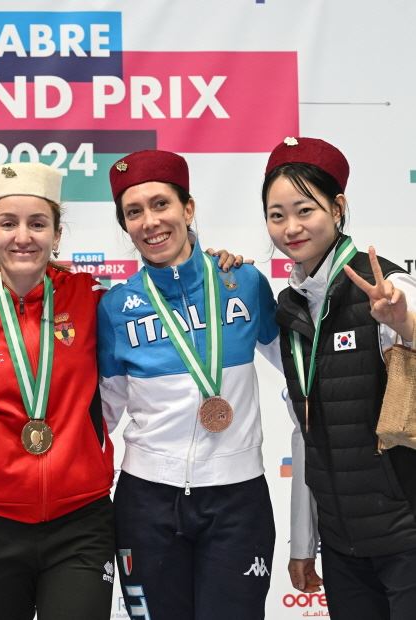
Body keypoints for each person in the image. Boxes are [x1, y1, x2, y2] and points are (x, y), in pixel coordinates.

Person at [98, 149, 283, 620]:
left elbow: (302, 369)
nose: (150, 222)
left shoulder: (243, 282)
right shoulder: (116, 308)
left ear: (188, 208)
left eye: (161, 204)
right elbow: (102, 414)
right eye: (133, 212)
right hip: (147, 499)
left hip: (237, 497)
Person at [0, 161, 116, 620]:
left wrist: (213, 264)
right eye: (8, 223)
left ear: (56, 234)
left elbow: (160, 300)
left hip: (81, 522)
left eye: (37, 224)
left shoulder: (93, 299)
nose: (23, 237)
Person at [263, 136, 416, 619]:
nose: (291, 227)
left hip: (406, 534)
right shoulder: (291, 307)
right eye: (277, 215)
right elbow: (306, 432)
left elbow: (408, 324)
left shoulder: (386, 286)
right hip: (343, 545)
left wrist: (404, 322)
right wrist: (303, 541)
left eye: (305, 210)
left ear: (337, 207)